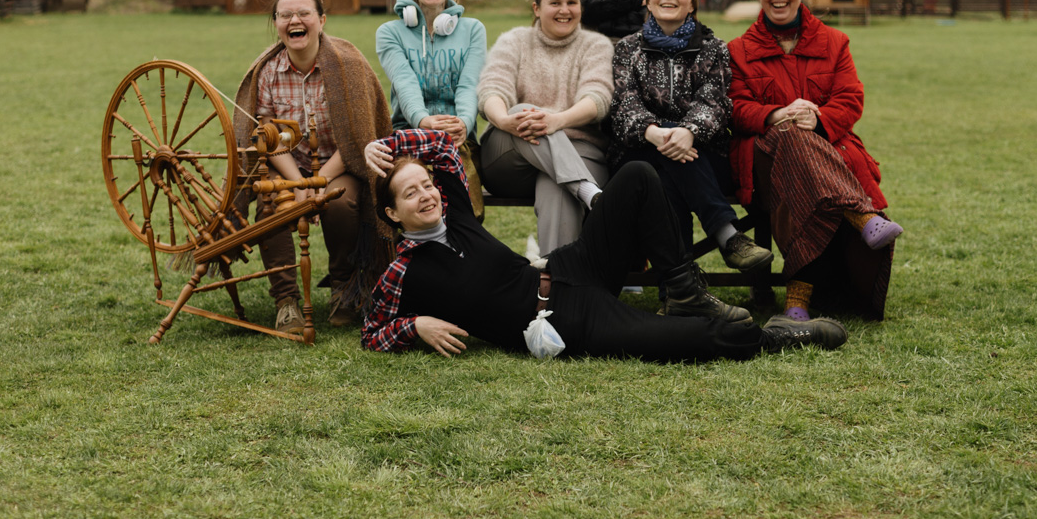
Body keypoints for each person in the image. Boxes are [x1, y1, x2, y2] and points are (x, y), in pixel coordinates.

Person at [360, 129, 846, 359]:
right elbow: (372, 329)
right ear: (391, 213)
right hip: (566, 323)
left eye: (426, 185)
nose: (426, 194)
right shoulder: (404, 273)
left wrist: (388, 148)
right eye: (410, 192)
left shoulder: (455, 211)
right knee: (692, 343)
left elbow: (444, 148)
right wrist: (415, 324)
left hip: (571, 266)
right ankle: (780, 336)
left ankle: (682, 290)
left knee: (636, 175)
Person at [728, 0, 903, 330]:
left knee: (801, 171)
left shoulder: (834, 42)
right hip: (763, 158)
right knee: (790, 137)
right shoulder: (738, 51)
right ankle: (861, 214)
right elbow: (736, 108)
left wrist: (817, 117)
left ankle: (798, 299)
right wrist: (776, 115)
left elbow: (850, 99)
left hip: (822, 151)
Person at [232, 0, 395, 330]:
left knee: (341, 202)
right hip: (288, 166)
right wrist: (298, 182)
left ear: (321, 20)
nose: (295, 19)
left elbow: (358, 139)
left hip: (342, 165)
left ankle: (343, 288)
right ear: (276, 23)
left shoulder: (347, 66)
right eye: (285, 14)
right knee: (272, 202)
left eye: (304, 13)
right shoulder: (267, 72)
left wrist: (321, 183)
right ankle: (286, 299)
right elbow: (266, 137)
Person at [611, 0, 773, 278]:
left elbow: (715, 105)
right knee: (663, 169)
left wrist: (689, 131)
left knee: (668, 176)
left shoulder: (713, 49)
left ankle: (678, 288)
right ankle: (727, 236)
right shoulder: (627, 49)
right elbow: (623, 107)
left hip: (703, 155)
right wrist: (657, 133)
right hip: (637, 155)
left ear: (693, 2)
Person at [477, 0, 613, 255]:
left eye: (572, 3)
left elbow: (598, 97)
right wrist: (504, 119)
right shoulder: (514, 40)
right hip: (511, 153)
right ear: (537, 8)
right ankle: (586, 190)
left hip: (580, 152)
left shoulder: (596, 45)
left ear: (581, 7)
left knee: (557, 184)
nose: (565, 10)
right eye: (555, 3)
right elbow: (492, 88)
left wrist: (558, 121)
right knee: (525, 111)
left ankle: (554, 284)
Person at [376, 0, 487, 219]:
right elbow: (405, 83)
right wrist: (423, 121)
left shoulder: (473, 29)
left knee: (464, 212)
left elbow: (468, 84)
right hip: (410, 136)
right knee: (416, 204)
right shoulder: (389, 33)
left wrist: (463, 122)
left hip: (458, 137)